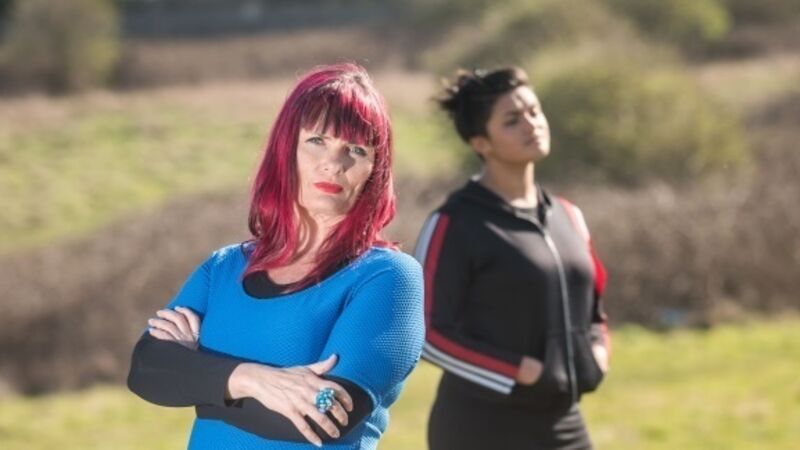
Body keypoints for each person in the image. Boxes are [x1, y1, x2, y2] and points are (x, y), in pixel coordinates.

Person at [127, 63, 425, 450]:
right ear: (286, 150)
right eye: (317, 140)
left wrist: (199, 377)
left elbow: (325, 416)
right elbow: (147, 370)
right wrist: (251, 379)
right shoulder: (224, 268)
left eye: (355, 149)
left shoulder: (388, 277)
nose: (334, 163)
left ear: (375, 169)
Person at [414, 67, 610, 450]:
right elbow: (428, 332)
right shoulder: (454, 222)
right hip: (481, 429)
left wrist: (598, 351)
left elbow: (594, 309)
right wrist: (518, 370)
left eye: (534, 111)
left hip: (562, 420)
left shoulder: (568, 215)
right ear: (481, 143)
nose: (531, 124)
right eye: (512, 120)